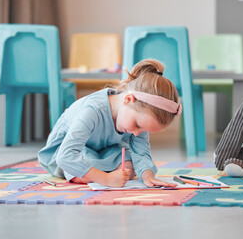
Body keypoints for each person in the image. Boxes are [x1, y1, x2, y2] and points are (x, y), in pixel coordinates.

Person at [38, 59, 181, 188]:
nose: (137, 133)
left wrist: (148, 175)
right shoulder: (92, 110)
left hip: (105, 149)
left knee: (129, 167)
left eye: (143, 129)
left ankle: (98, 172)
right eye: (137, 125)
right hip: (67, 151)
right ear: (128, 100)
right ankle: (97, 173)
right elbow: (65, 156)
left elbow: (141, 151)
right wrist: (105, 179)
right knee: (76, 165)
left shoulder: (137, 115)